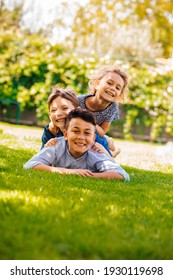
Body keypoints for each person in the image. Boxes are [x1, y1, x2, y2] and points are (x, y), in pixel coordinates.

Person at [24, 108, 130, 181]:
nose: (81, 137)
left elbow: (122, 175)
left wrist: (89, 176)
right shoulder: (57, 145)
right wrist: (64, 171)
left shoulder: (95, 152)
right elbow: (30, 164)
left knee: (109, 155)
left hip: (102, 152)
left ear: (93, 138)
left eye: (87, 133)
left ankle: (112, 150)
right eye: (75, 131)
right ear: (65, 134)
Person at [41, 86, 111, 156]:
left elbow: (107, 158)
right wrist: (47, 148)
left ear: (76, 110)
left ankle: (113, 146)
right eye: (53, 110)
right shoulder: (50, 131)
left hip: (102, 142)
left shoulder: (88, 132)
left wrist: (105, 152)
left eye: (65, 108)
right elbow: (42, 156)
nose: (58, 113)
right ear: (50, 115)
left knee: (110, 149)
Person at [78, 65, 129, 157]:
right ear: (97, 84)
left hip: (95, 134)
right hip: (77, 132)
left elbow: (102, 132)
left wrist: (88, 119)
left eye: (117, 88)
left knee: (97, 139)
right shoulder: (79, 101)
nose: (113, 88)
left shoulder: (112, 107)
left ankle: (112, 152)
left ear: (119, 96)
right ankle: (109, 143)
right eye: (109, 83)